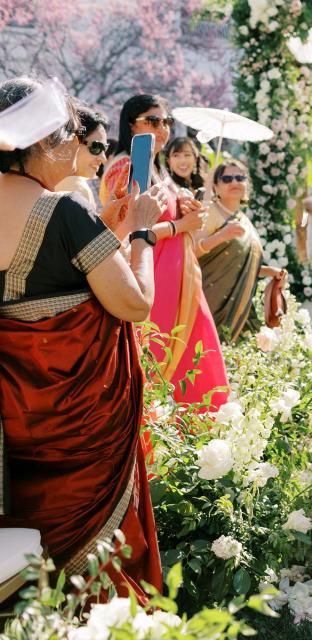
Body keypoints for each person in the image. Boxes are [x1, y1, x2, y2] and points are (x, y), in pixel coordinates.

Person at [0, 77, 164, 602]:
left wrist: (105, 232)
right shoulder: (64, 212)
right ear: (44, 141)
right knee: (93, 560)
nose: (77, 143)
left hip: (12, 422)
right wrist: (140, 234)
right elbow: (134, 303)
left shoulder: (70, 216)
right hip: (78, 428)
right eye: (70, 133)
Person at [101, 94, 228, 409]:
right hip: (154, 285)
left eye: (167, 122)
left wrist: (187, 211)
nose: (163, 128)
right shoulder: (131, 164)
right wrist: (180, 226)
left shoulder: (153, 167)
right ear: (132, 124)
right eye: (153, 120)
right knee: (161, 372)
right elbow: (125, 234)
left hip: (178, 282)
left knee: (197, 365)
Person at [195, 160, 285, 342]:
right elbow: (191, 253)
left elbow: (240, 265)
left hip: (239, 305)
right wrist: (221, 236)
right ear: (216, 186)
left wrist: (270, 272)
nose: (234, 182)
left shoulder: (242, 218)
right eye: (227, 178)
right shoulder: (209, 212)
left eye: (240, 178)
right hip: (210, 300)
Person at [55, 105, 110, 205]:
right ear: (73, 142)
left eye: (105, 148)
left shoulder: (39, 183)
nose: (103, 159)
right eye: (96, 147)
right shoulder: (75, 187)